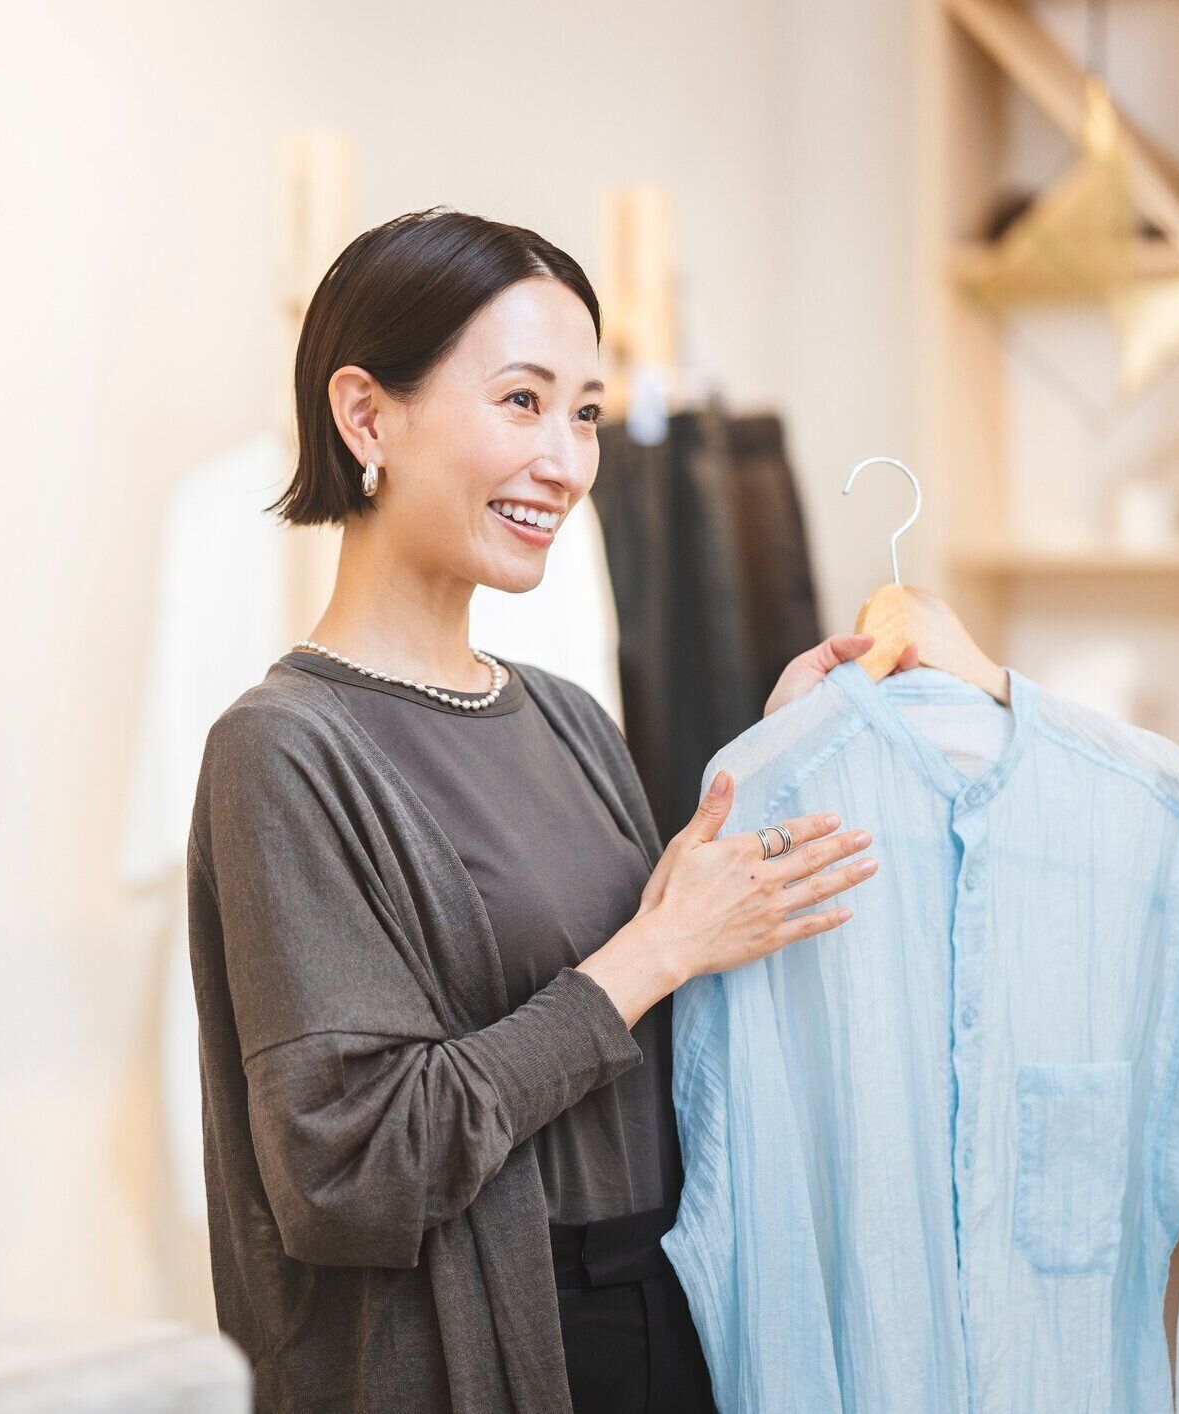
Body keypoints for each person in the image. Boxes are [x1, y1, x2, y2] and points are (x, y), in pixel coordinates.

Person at [185, 208, 918, 1414]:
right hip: (490, 1356)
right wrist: (651, 952)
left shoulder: (570, 717)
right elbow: (350, 1172)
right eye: (523, 402)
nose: (571, 463)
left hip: (661, 1326)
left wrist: (780, 758)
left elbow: (645, 1028)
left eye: (583, 412)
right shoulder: (282, 751)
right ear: (366, 415)